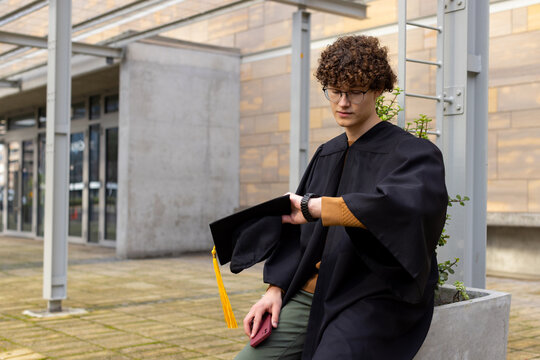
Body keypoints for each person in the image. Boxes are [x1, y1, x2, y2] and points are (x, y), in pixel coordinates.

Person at [234, 35, 448, 360]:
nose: (342, 102)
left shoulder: (414, 154)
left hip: (371, 296)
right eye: (334, 91)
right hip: (313, 291)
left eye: (355, 92)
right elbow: (299, 236)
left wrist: (322, 208)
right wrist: (275, 290)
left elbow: (401, 209)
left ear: (377, 89)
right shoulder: (327, 153)